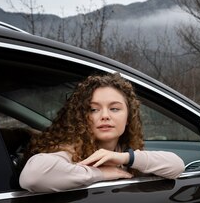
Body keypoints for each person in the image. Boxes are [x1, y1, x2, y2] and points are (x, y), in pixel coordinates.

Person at [19, 73, 185, 192]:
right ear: (82, 118)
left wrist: (125, 158)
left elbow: (176, 166)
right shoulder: (70, 150)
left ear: (128, 117)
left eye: (114, 108)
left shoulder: (123, 152)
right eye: (93, 109)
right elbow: (33, 176)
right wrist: (99, 173)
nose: (105, 116)